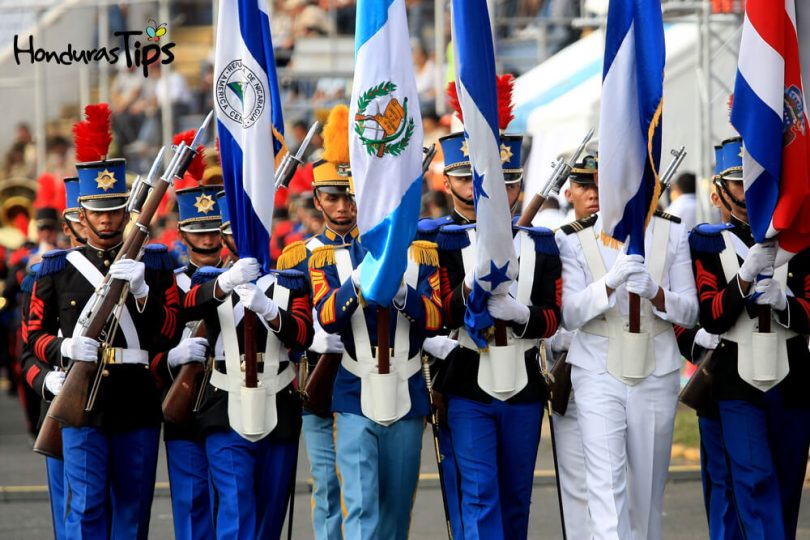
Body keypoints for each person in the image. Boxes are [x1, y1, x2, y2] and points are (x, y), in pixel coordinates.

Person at [24, 105, 180, 538]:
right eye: (99, 211)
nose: (108, 219)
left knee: (132, 512)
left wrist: (145, 292)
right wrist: (62, 351)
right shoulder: (54, 270)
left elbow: (166, 333)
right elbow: (32, 338)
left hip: (136, 401)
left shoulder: (157, 264)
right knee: (86, 508)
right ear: (82, 214)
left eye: (115, 210)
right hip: (82, 407)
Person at [558, 154, 698, 540]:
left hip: (656, 368)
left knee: (647, 497)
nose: (598, 193)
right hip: (597, 367)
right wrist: (607, 284)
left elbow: (689, 311)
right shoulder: (571, 237)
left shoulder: (671, 232)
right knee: (606, 491)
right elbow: (569, 314)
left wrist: (658, 295)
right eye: (588, 185)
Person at [433, 119, 562, 538]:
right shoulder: (443, 242)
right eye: (490, 183)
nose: (497, 194)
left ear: (519, 188)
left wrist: (521, 314)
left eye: (509, 185)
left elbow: (552, 316)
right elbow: (442, 313)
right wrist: (472, 283)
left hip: (523, 383)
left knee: (516, 496)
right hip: (470, 380)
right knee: (479, 494)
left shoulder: (540, 243)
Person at [689, 136, 810, 539]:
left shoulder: (800, 240)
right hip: (737, 383)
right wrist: (742, 279)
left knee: (787, 490)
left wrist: (787, 305)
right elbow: (712, 316)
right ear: (720, 189)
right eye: (740, 182)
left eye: (756, 181)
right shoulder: (707, 241)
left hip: (792, 379)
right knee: (754, 484)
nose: (749, 192)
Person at [308, 186, 441, 537]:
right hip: (354, 392)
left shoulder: (423, 257)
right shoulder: (328, 259)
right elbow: (328, 316)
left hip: (407, 392)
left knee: (395, 514)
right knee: (361, 507)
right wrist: (355, 282)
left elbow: (434, 317)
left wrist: (401, 294)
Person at [181, 250, 313, 538]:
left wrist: (270, 310)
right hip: (224, 402)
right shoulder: (211, 280)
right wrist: (225, 282)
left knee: (271, 509)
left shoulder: (291, 284)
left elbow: (303, 335)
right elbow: (187, 307)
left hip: (278, 402)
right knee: (235, 505)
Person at [276, 104, 358, 540]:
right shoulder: (296, 257)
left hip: (369, 378)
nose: (343, 206)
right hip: (321, 383)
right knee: (327, 483)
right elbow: (289, 331)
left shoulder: (378, 252)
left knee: (368, 487)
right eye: (333, 197)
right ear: (318, 200)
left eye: (349, 195)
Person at [155, 147, 224, 540]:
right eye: (199, 231)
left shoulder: (239, 277)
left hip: (229, 402)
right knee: (192, 501)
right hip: (184, 402)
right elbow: (155, 342)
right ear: (183, 235)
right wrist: (173, 357)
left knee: (228, 500)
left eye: (214, 230)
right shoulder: (171, 283)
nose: (209, 239)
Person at [549, 156, 601, 540]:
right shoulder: (558, 240)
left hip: (613, 364)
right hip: (570, 365)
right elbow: (555, 318)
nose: (594, 193)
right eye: (585, 186)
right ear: (569, 193)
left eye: (599, 184)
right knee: (576, 481)